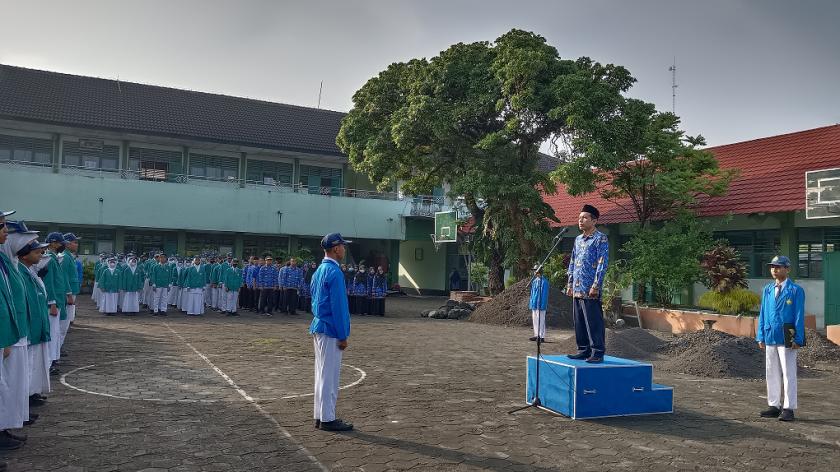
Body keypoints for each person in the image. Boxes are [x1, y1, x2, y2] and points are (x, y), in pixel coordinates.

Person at [310, 233, 353, 432]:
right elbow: (339, 307)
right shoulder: (334, 272)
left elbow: (312, 297)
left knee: (321, 374)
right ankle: (327, 418)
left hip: (319, 326)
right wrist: (343, 334)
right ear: (336, 249)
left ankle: (320, 415)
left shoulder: (320, 270)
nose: (344, 249)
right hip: (331, 329)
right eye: (343, 246)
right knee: (330, 376)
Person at [0, 221, 37, 446]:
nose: (5, 231)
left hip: (13, 331)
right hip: (7, 334)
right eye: (1, 226)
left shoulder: (7, 262)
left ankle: (5, 426)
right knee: (7, 384)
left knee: (11, 383)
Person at [757, 255, 805, 422]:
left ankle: (788, 408)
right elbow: (763, 313)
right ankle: (774, 405)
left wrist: (798, 338)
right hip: (770, 334)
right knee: (771, 372)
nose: (774, 270)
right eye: (772, 267)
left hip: (787, 335)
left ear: (787, 269)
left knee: (788, 373)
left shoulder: (796, 290)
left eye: (778, 267)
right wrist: (760, 335)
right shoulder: (767, 290)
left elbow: (799, 315)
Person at [566, 204, 609, 364]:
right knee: (579, 321)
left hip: (590, 288)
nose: (581, 221)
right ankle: (583, 350)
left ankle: (597, 352)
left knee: (593, 321)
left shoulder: (600, 239)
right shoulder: (578, 240)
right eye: (579, 218)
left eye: (584, 218)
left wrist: (596, 285)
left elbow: (602, 263)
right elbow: (572, 261)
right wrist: (570, 283)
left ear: (594, 221)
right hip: (577, 287)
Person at [17, 239, 52, 408]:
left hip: (37, 325)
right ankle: (26, 399)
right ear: (24, 255)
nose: (41, 255)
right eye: (37, 252)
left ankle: (31, 394)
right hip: (30, 327)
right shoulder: (20, 272)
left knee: (35, 364)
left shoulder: (29, 271)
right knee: (28, 365)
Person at [41, 232, 71, 374]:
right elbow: (49, 283)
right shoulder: (49, 259)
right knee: (52, 333)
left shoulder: (53, 258)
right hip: (53, 303)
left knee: (56, 332)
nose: (62, 245)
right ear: (52, 243)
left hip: (57, 301)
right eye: (60, 243)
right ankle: (49, 363)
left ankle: (51, 361)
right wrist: (52, 303)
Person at [60, 233, 81, 355]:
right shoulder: (65, 257)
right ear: (67, 244)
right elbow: (64, 277)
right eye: (74, 242)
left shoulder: (69, 256)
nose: (76, 244)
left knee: (65, 324)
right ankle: (57, 349)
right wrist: (68, 294)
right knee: (63, 324)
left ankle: (59, 347)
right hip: (67, 294)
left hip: (71, 292)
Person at [529, 265, 550, 342]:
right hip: (534, 303)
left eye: (535, 270)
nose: (534, 272)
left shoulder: (545, 282)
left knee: (541, 320)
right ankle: (536, 335)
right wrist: (531, 303)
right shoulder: (534, 281)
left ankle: (541, 336)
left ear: (539, 271)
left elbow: (545, 295)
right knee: (535, 319)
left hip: (541, 304)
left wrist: (542, 304)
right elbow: (532, 293)